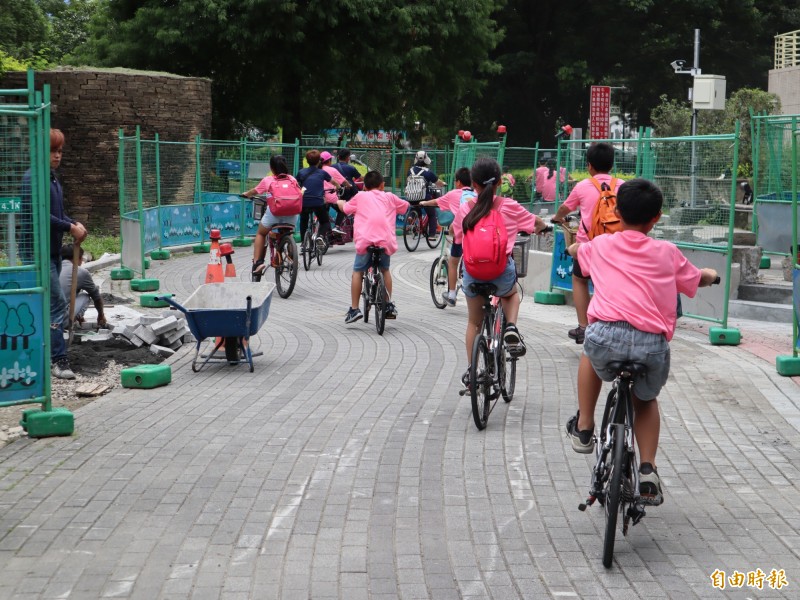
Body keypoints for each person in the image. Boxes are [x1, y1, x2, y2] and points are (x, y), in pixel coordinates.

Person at [564, 179, 718, 505]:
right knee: (645, 401)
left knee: (589, 353)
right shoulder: (668, 253)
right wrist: (711, 274)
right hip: (651, 345)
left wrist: (575, 247)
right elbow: (697, 279)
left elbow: (580, 255)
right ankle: (648, 469)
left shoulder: (602, 245)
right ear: (657, 217)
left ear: (616, 211)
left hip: (606, 336)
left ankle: (585, 426)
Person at [452, 158, 548, 384]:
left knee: (474, 323)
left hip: (473, 273)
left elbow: (457, 236)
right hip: (500, 270)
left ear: (473, 184)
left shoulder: (466, 208)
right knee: (511, 294)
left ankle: (472, 370)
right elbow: (533, 222)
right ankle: (511, 328)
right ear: (498, 182)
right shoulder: (509, 206)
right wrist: (543, 226)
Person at [20, 129, 88, 380]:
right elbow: (40, 216)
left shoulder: (52, 180)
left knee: (47, 307)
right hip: (36, 254)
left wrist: (74, 223)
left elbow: (57, 215)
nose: (57, 156)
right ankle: (58, 360)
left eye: (59, 151)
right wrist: (69, 226)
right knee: (57, 304)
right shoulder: (32, 179)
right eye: (52, 151)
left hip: (53, 253)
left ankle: (40, 356)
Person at [552, 142, 620, 344]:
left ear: (589, 165)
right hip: (615, 246)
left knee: (580, 279)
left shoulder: (583, 186)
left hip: (587, 246)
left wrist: (557, 218)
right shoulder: (622, 185)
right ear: (611, 164)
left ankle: (584, 327)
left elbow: (565, 208)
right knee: (608, 284)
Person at [338, 171, 409, 323]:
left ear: (364, 186)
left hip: (366, 242)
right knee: (385, 270)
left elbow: (346, 209)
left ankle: (354, 309)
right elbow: (405, 207)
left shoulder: (361, 196)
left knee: (357, 272)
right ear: (382, 185)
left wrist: (340, 203)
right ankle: (388, 304)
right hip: (385, 242)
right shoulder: (389, 196)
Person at [420, 166, 475, 307]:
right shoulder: (476, 195)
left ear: (458, 182)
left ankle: (451, 295)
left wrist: (424, 203)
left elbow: (436, 202)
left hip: (461, 233)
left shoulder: (453, 194)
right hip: (477, 236)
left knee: (453, 262)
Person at [241, 155, 301, 276]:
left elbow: (254, 191)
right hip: (293, 214)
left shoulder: (268, 180)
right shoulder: (292, 179)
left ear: (271, 167)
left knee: (261, 233)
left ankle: (258, 262)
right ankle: (291, 256)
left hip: (275, 213)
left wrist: (246, 194)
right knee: (288, 232)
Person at [296, 149, 341, 247]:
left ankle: (304, 243)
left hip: (305, 202)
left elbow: (296, 185)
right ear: (319, 161)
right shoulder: (322, 173)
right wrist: (339, 187)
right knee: (325, 222)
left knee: (303, 220)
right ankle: (320, 236)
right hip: (318, 202)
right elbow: (334, 182)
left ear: (307, 161)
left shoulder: (301, 172)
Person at [59, 244, 107, 329]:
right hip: (62, 321)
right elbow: (96, 297)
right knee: (85, 296)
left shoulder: (52, 269)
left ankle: (77, 317)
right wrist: (101, 315)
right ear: (79, 258)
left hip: (45, 320)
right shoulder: (80, 272)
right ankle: (74, 319)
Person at [407, 150, 444, 241]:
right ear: (426, 160)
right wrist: (443, 183)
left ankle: (412, 216)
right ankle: (431, 235)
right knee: (432, 214)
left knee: (415, 206)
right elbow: (438, 183)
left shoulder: (410, 171)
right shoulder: (428, 172)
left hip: (411, 197)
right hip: (424, 198)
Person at [319, 150, 352, 235]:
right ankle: (337, 226)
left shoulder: (317, 170)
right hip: (331, 196)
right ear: (329, 161)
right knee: (343, 209)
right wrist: (349, 186)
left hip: (319, 197)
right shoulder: (332, 170)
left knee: (323, 216)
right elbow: (344, 182)